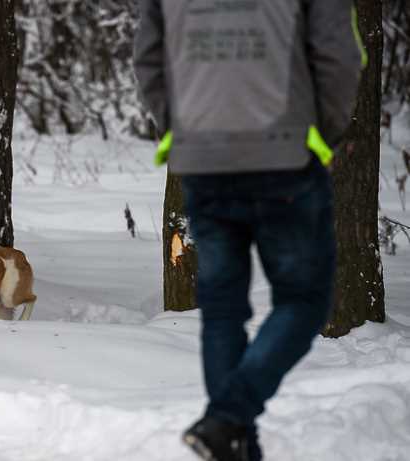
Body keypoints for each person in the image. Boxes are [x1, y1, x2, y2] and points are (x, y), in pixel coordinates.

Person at [133, 1, 366, 460]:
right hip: (285, 159)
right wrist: (327, 135)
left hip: (202, 160)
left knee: (222, 311)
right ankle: (226, 420)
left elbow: (148, 61)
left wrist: (180, 131)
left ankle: (234, 441)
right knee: (303, 301)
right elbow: (339, 56)